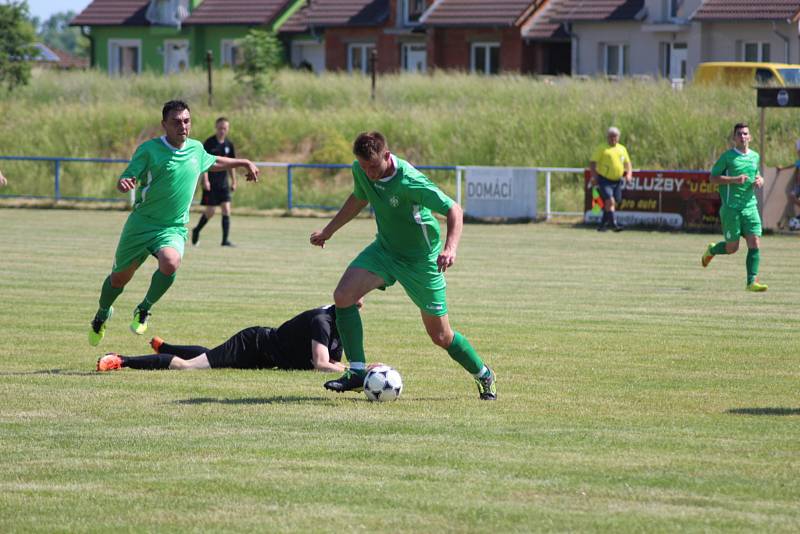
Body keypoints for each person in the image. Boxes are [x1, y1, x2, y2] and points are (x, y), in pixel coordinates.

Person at [309, 131, 497, 400]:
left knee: (441, 336)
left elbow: (454, 209)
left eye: (373, 166)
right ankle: (358, 372)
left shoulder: (410, 181)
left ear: (387, 155)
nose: (369, 173)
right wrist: (329, 230)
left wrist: (450, 249)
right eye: (364, 166)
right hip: (385, 250)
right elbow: (359, 198)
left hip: (421, 261)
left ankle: (483, 374)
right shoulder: (361, 169)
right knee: (343, 296)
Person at [88, 100, 260, 347]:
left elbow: (215, 162)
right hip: (141, 225)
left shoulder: (196, 149)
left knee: (171, 263)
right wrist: (124, 183)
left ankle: (144, 308)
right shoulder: (149, 150)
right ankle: (103, 313)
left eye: (187, 121)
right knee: (118, 280)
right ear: (164, 125)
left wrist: (244, 162)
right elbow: (128, 176)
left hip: (172, 228)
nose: (183, 126)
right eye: (177, 122)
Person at [96, 305, 346, 372]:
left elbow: (333, 362)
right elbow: (321, 365)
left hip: (262, 357)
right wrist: (359, 371)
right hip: (252, 344)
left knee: (211, 355)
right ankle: (121, 359)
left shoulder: (343, 326)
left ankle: (166, 346)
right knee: (190, 366)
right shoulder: (322, 321)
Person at [701, 122, 767, 292]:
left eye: (745, 134)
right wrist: (734, 180)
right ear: (734, 138)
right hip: (731, 208)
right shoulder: (727, 157)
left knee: (755, 242)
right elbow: (713, 178)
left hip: (750, 207)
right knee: (732, 248)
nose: (743, 137)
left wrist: (760, 180)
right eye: (739, 134)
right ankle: (713, 249)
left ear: (750, 137)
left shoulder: (755, 156)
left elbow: (756, 174)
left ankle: (751, 282)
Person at [192, 117, 238, 247]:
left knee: (226, 209)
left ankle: (225, 241)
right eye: (220, 128)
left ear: (227, 129)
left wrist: (234, 181)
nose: (222, 131)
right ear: (216, 128)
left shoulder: (229, 145)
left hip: (223, 183)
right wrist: (205, 179)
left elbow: (231, 164)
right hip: (211, 183)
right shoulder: (209, 143)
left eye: (225, 128)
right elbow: (203, 162)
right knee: (210, 212)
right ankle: (196, 230)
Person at [590, 126, 632, 231]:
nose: (613, 138)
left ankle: (602, 225)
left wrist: (629, 174)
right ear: (607, 137)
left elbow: (628, 163)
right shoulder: (602, 148)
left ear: (618, 137)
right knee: (610, 200)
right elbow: (593, 162)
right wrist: (594, 176)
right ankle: (614, 224)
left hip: (617, 181)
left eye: (615, 136)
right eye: (611, 136)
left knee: (613, 202)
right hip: (604, 180)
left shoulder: (622, 149)